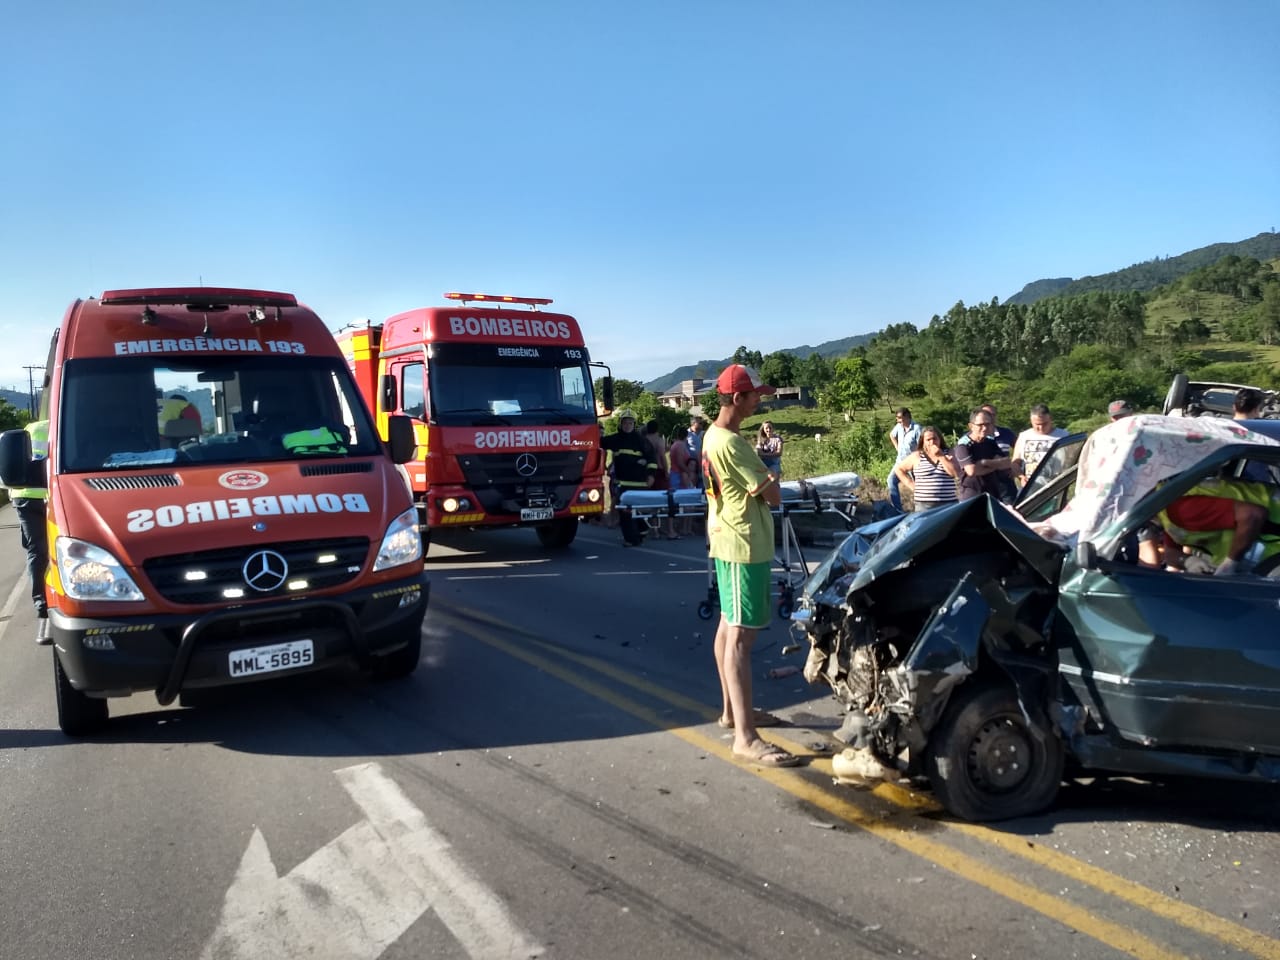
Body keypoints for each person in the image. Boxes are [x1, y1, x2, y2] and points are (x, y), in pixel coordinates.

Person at [703, 364, 799, 768]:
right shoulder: (734, 445)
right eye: (756, 394)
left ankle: (731, 712)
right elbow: (773, 494)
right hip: (744, 544)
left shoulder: (714, 435)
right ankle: (745, 737)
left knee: (728, 627)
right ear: (737, 398)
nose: (760, 400)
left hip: (727, 536)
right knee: (741, 637)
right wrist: (769, 471)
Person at [10, 419, 51, 644]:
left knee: (36, 550)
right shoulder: (64, 421)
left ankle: (41, 604)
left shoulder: (31, 427)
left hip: (23, 496)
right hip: (50, 493)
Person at [601, 409, 656, 546]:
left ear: (634, 424)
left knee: (632, 511)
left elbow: (652, 458)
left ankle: (637, 534)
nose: (627, 425)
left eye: (630, 423)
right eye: (625, 423)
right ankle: (633, 538)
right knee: (625, 512)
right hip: (622, 483)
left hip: (639, 483)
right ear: (621, 424)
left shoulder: (641, 441)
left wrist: (651, 475)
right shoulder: (616, 439)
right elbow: (599, 442)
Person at [953, 407, 1014, 502]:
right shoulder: (964, 446)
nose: (984, 428)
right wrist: (995, 465)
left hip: (993, 494)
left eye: (987, 424)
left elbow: (1006, 462)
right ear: (971, 426)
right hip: (972, 496)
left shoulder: (990, 442)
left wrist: (984, 463)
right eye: (980, 425)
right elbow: (972, 471)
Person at [893, 426, 959, 511]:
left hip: (948, 503)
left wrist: (941, 456)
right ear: (923, 442)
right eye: (928, 440)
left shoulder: (949, 452)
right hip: (924, 504)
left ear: (940, 439)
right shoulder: (917, 456)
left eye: (934, 438)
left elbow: (955, 473)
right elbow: (899, 469)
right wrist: (911, 484)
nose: (932, 442)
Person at [1010, 403, 1069, 487]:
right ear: (1031, 421)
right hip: (1030, 486)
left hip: (1055, 486)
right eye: (1037, 424)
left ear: (1050, 419)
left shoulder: (1063, 435)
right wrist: (1021, 477)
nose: (1041, 427)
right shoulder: (1024, 436)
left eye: (1044, 424)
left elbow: (1071, 460)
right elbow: (1015, 463)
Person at [643, 419, 678, 539]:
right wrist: (667, 471)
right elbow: (662, 456)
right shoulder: (659, 440)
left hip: (647, 472)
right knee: (668, 499)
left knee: (652, 501)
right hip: (659, 471)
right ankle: (670, 530)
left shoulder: (644, 440)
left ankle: (655, 530)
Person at [979, 403, 1018, 502]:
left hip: (1005, 482)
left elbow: (1020, 450)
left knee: (1010, 513)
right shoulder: (974, 436)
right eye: (986, 414)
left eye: (992, 414)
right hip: (983, 482)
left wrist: (1016, 467)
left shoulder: (1006, 433)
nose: (990, 417)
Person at [885, 407, 921, 512]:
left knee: (918, 487)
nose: (898, 421)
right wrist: (897, 447)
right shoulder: (898, 427)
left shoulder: (917, 429)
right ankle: (898, 510)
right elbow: (892, 435)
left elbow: (922, 446)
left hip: (913, 463)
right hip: (900, 461)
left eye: (900, 418)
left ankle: (920, 510)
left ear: (907, 416)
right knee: (891, 480)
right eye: (897, 418)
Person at [667, 429, 696, 536]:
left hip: (678, 474)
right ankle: (680, 527)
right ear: (686, 436)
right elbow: (680, 462)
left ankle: (685, 527)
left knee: (685, 503)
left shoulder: (676, 444)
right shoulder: (680, 445)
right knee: (680, 501)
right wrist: (688, 472)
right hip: (678, 476)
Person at [686, 416, 706, 489]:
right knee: (691, 485)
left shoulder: (703, 433)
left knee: (702, 484)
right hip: (691, 464)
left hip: (701, 463)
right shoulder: (687, 433)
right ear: (694, 424)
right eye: (700, 423)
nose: (702, 425)